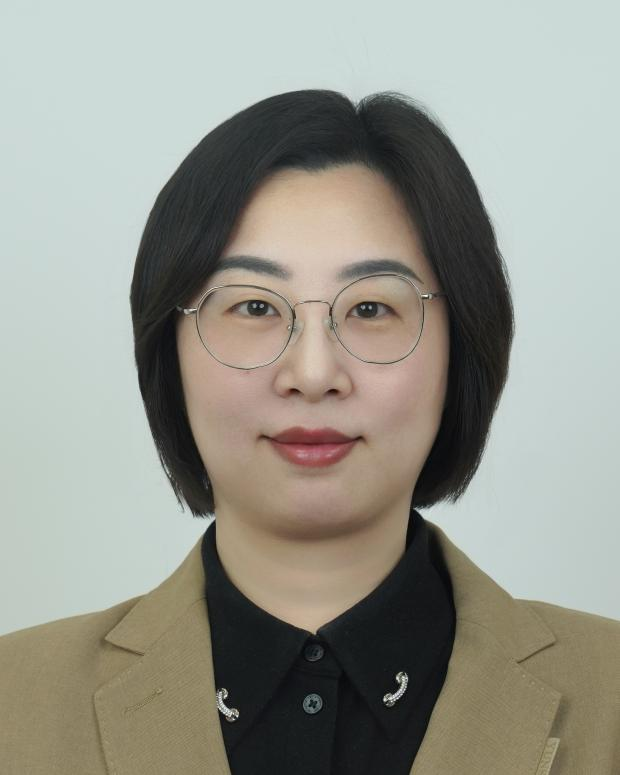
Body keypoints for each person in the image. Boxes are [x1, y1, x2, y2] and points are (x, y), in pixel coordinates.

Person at [0, 89, 618, 775]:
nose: (314, 372)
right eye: (254, 306)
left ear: (462, 346)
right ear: (168, 351)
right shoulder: (13, 704)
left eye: (372, 308)